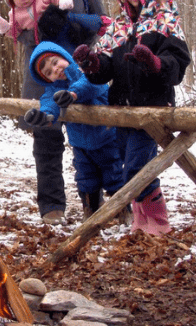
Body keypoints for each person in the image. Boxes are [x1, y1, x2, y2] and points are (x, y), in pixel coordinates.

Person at [73, 0, 191, 234]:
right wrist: (92, 63)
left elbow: (178, 63)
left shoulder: (166, 19)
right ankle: (142, 221)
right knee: (129, 162)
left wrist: (154, 63)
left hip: (152, 108)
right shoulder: (120, 24)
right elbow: (106, 67)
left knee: (136, 169)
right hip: (121, 108)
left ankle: (158, 223)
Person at [16, 0, 108, 225]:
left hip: (79, 71)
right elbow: (20, 31)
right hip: (42, 73)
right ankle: (52, 207)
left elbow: (102, 22)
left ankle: (93, 203)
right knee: (47, 138)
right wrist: (44, 28)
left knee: (92, 137)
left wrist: (76, 26)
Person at [23, 41, 124, 222]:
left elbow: (92, 85)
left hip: (107, 137)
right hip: (80, 145)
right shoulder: (54, 90)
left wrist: (72, 95)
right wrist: (44, 116)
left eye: (55, 62)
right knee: (86, 179)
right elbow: (49, 103)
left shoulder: (87, 72)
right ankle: (91, 214)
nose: (55, 70)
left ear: (64, 56)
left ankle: (124, 211)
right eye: (48, 72)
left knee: (114, 175)